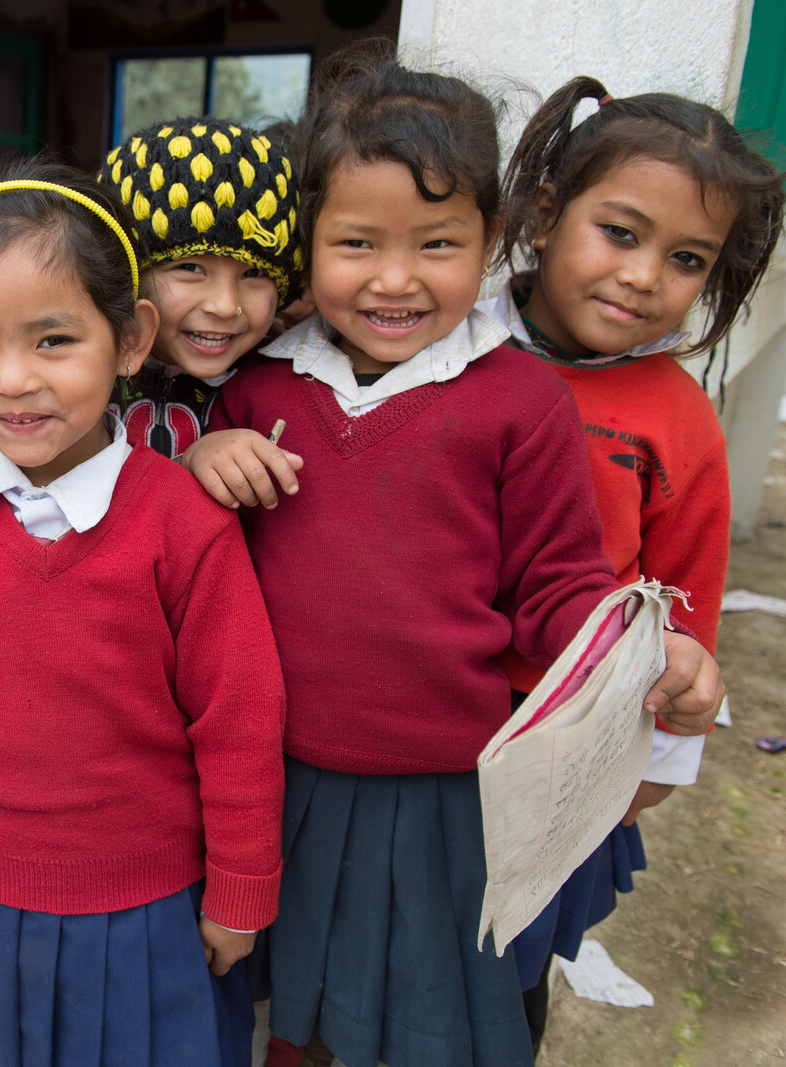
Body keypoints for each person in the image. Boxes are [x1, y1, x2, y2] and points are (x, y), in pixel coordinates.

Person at [186, 49, 725, 1067]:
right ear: (305, 246)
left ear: (493, 242)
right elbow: (196, 575)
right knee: (286, 1013)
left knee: (435, 1018)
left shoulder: (517, 399)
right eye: (355, 242)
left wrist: (640, 650)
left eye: (437, 243)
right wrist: (201, 458)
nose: (395, 278)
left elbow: (558, 582)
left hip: (446, 792)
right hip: (276, 782)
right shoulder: (254, 391)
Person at [0, 163, 287, 1067]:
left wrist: (239, 891)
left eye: (54, 341)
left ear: (131, 340)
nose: (13, 381)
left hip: (150, 909)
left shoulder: (185, 523)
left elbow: (238, 720)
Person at [482, 76, 786, 1052]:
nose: (643, 274)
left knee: (506, 975)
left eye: (686, 257)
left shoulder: (675, 418)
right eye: (618, 231)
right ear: (543, 210)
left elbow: (686, 612)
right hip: (403, 731)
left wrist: (657, 758)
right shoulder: (450, 347)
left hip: (556, 759)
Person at [96, 117, 305, 466]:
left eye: (254, 273)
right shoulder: (83, 373)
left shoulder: (286, 389)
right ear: (125, 274)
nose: (225, 306)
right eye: (191, 268)